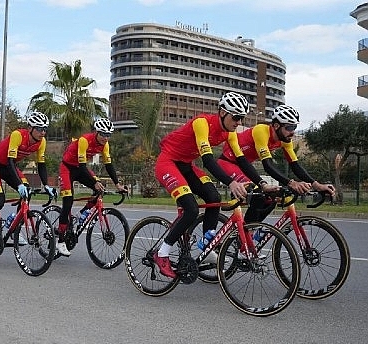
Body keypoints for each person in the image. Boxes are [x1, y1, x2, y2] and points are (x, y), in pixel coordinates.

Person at [153, 92, 276, 278]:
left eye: (241, 118)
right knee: (191, 209)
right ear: (222, 112)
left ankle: (207, 244)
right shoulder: (202, 123)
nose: (238, 122)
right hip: (168, 163)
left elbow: (242, 162)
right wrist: (231, 182)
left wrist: (262, 183)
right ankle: (161, 253)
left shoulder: (231, 133)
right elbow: (209, 161)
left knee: (214, 197)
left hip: (187, 165)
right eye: (235, 117)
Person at [217, 104, 335, 223]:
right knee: (258, 194)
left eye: (294, 127)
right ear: (277, 126)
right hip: (228, 162)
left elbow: (295, 165)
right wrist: (291, 183)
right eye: (289, 128)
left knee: (271, 197)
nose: (292, 132)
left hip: (245, 167)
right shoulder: (261, 131)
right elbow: (268, 165)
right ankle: (246, 233)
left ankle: (249, 231)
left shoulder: (285, 140)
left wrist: (317, 185)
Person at [0, 111, 56, 249]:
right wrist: (19, 184)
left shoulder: (41, 142)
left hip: (10, 168)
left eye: (45, 129)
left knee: (27, 193)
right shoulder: (18, 135)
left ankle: (14, 230)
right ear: (30, 128)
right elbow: (10, 160)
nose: (43, 132)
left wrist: (46, 185)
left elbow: (41, 165)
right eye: (39, 129)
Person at [55, 118, 127, 257]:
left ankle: (81, 214)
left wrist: (117, 184)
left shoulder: (105, 145)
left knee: (99, 189)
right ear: (96, 132)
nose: (106, 138)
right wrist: (93, 181)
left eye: (108, 135)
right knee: (68, 201)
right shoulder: (84, 140)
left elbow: (108, 165)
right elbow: (82, 167)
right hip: (68, 168)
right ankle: (60, 241)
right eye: (103, 134)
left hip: (80, 169)